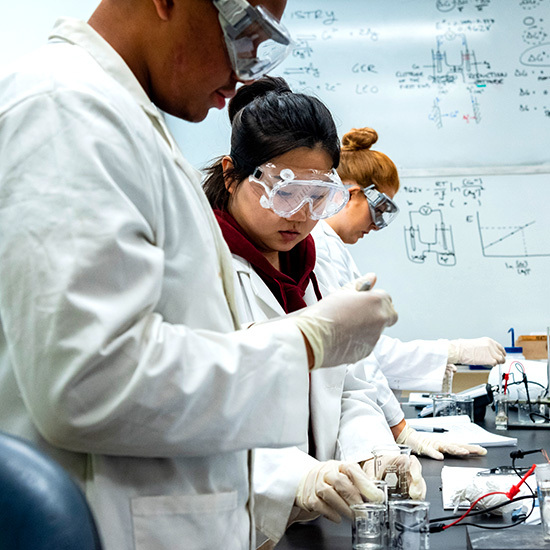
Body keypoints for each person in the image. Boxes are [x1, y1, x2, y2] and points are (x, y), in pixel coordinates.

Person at [0, 4, 398, 550]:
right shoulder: (65, 111)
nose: (249, 69)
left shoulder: (125, 122)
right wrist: (303, 341)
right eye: (245, 32)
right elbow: (89, 383)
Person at [203, 77, 424, 548]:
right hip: (228, 523)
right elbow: (198, 414)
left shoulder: (313, 268)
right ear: (231, 174)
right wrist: (298, 479)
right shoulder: (201, 268)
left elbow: (346, 389)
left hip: (302, 526)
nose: (302, 215)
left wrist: (372, 452)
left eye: (318, 196)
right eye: (285, 192)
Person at [312, 127, 506, 459]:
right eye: (379, 210)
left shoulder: (334, 249)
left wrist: (449, 351)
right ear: (351, 193)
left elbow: (366, 350)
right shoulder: (320, 248)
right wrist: (402, 429)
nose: (376, 225)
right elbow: (358, 352)